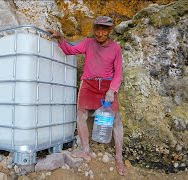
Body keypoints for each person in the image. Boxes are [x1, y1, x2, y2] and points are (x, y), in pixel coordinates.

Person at [48, 16, 128, 176]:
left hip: (106, 86)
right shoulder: (88, 42)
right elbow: (69, 50)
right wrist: (61, 39)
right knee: (81, 115)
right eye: (97, 29)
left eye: (104, 29)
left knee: (116, 120)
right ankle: (86, 151)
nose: (99, 33)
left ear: (110, 30)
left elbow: (118, 73)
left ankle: (119, 158)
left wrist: (112, 90)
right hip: (89, 84)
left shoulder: (116, 48)